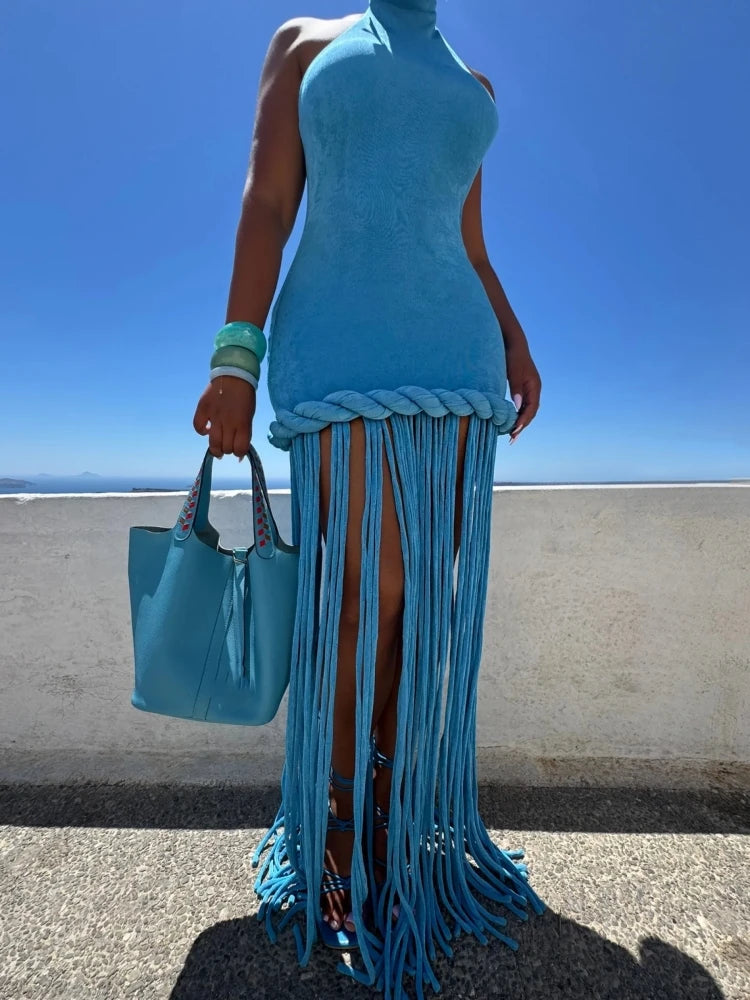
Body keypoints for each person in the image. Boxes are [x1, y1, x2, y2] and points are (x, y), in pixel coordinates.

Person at [193, 1, 545, 995]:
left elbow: (467, 243)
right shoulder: (306, 42)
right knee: (363, 601)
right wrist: (234, 360)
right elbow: (267, 202)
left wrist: (513, 340)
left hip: (457, 360)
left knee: (415, 612)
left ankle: (396, 817)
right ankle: (335, 826)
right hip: (341, 347)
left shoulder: (471, 85)